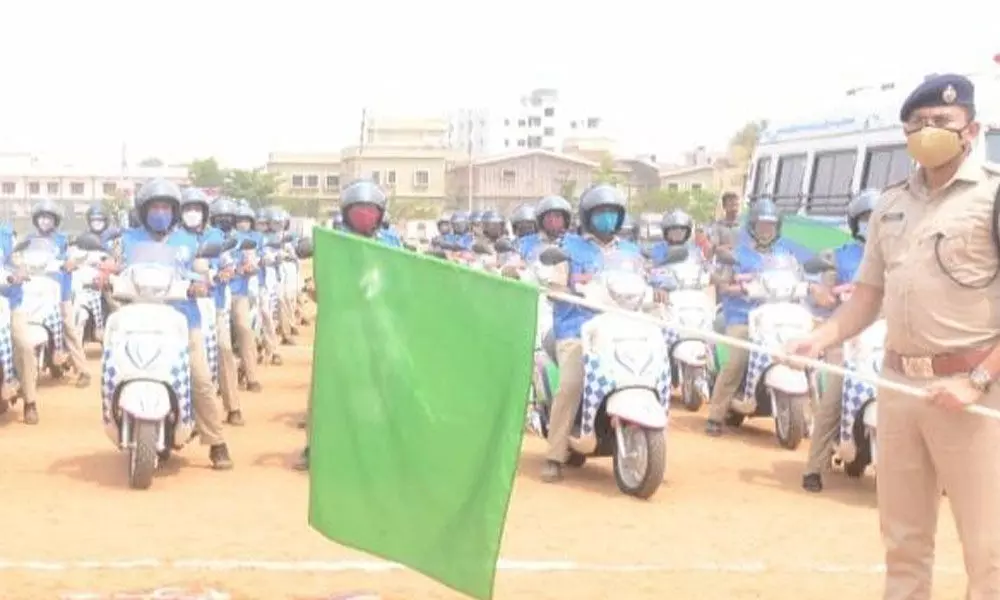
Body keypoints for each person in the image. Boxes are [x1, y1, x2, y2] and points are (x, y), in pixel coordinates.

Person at [786, 74, 1000, 599]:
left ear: (970, 129)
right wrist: (820, 338)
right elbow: (867, 295)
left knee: (989, 549)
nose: (929, 131)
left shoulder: (993, 197)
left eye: (942, 122)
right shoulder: (890, 204)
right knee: (903, 542)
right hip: (900, 386)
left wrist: (977, 380)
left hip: (974, 394)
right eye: (917, 124)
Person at [115, 179, 232, 469]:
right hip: (139, 317)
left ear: (175, 210)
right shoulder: (128, 240)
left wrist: (203, 284)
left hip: (181, 320)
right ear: (143, 210)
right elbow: (114, 266)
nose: (160, 212)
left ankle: (216, 441)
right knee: (118, 364)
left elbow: (202, 273)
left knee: (200, 378)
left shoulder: (189, 242)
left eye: (166, 206)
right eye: (154, 206)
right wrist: (104, 275)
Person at [296, 179, 400, 471]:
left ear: (381, 214)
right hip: (342, 319)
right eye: (358, 210)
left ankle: (384, 442)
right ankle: (313, 446)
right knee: (327, 382)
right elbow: (309, 256)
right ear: (346, 213)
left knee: (386, 378)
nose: (365, 216)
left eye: (371, 210)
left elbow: (408, 271)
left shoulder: (391, 242)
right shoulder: (334, 239)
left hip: (381, 319)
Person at [541, 184, 641, 483]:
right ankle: (554, 455)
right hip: (578, 329)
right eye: (601, 213)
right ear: (587, 216)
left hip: (621, 328)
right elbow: (554, 287)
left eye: (612, 213)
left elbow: (645, 280)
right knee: (571, 384)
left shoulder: (631, 252)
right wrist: (566, 290)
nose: (608, 219)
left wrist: (659, 290)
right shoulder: (567, 248)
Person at [801, 189, 878, 493]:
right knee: (833, 397)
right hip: (846, 339)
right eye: (866, 219)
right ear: (855, 222)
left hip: (886, 340)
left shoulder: (898, 254)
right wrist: (825, 293)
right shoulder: (838, 255)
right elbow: (823, 291)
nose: (872, 224)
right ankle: (813, 468)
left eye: (877, 218)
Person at [705, 197, 793, 436]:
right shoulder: (737, 254)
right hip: (743, 318)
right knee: (735, 361)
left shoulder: (785, 255)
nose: (766, 230)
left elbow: (798, 278)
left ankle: (805, 416)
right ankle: (715, 414)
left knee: (804, 355)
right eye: (762, 226)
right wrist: (738, 287)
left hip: (776, 318)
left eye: (771, 226)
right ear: (753, 227)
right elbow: (721, 283)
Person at [24, 199, 91, 388]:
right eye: (42, 217)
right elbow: (18, 258)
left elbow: (71, 258)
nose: (45, 221)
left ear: (55, 221)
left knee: (68, 327)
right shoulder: (29, 240)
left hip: (60, 290)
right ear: (36, 219)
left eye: (49, 218)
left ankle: (83, 371)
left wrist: (71, 263)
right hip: (35, 289)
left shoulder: (63, 240)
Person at [208, 196, 244, 425]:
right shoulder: (177, 239)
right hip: (185, 307)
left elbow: (228, 266)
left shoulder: (219, 241)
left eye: (227, 218)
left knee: (223, 349)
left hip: (216, 305)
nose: (223, 222)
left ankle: (233, 407)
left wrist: (226, 273)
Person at [230, 202, 264, 393]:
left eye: (245, 220)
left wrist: (248, 269)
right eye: (238, 220)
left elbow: (253, 264)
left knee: (244, 329)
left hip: (240, 293)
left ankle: (251, 376)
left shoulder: (248, 242)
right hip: (214, 297)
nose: (241, 223)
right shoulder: (215, 237)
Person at [709, 192, 743, 260]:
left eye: (736, 205)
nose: (734, 208)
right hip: (723, 267)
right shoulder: (717, 225)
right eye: (731, 205)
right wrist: (731, 247)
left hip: (743, 267)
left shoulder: (744, 225)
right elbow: (714, 249)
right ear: (724, 207)